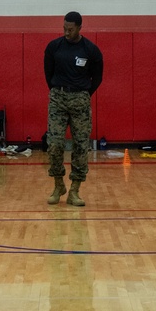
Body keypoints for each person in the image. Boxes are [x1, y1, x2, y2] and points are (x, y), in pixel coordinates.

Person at [44, 11, 103, 207]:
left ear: (79, 28)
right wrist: (59, 91)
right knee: (54, 144)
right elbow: (48, 75)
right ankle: (58, 185)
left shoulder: (91, 50)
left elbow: (97, 78)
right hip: (58, 99)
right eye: (64, 28)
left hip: (80, 100)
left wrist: (83, 94)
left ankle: (75, 190)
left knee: (80, 146)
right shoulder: (54, 47)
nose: (66, 32)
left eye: (70, 29)